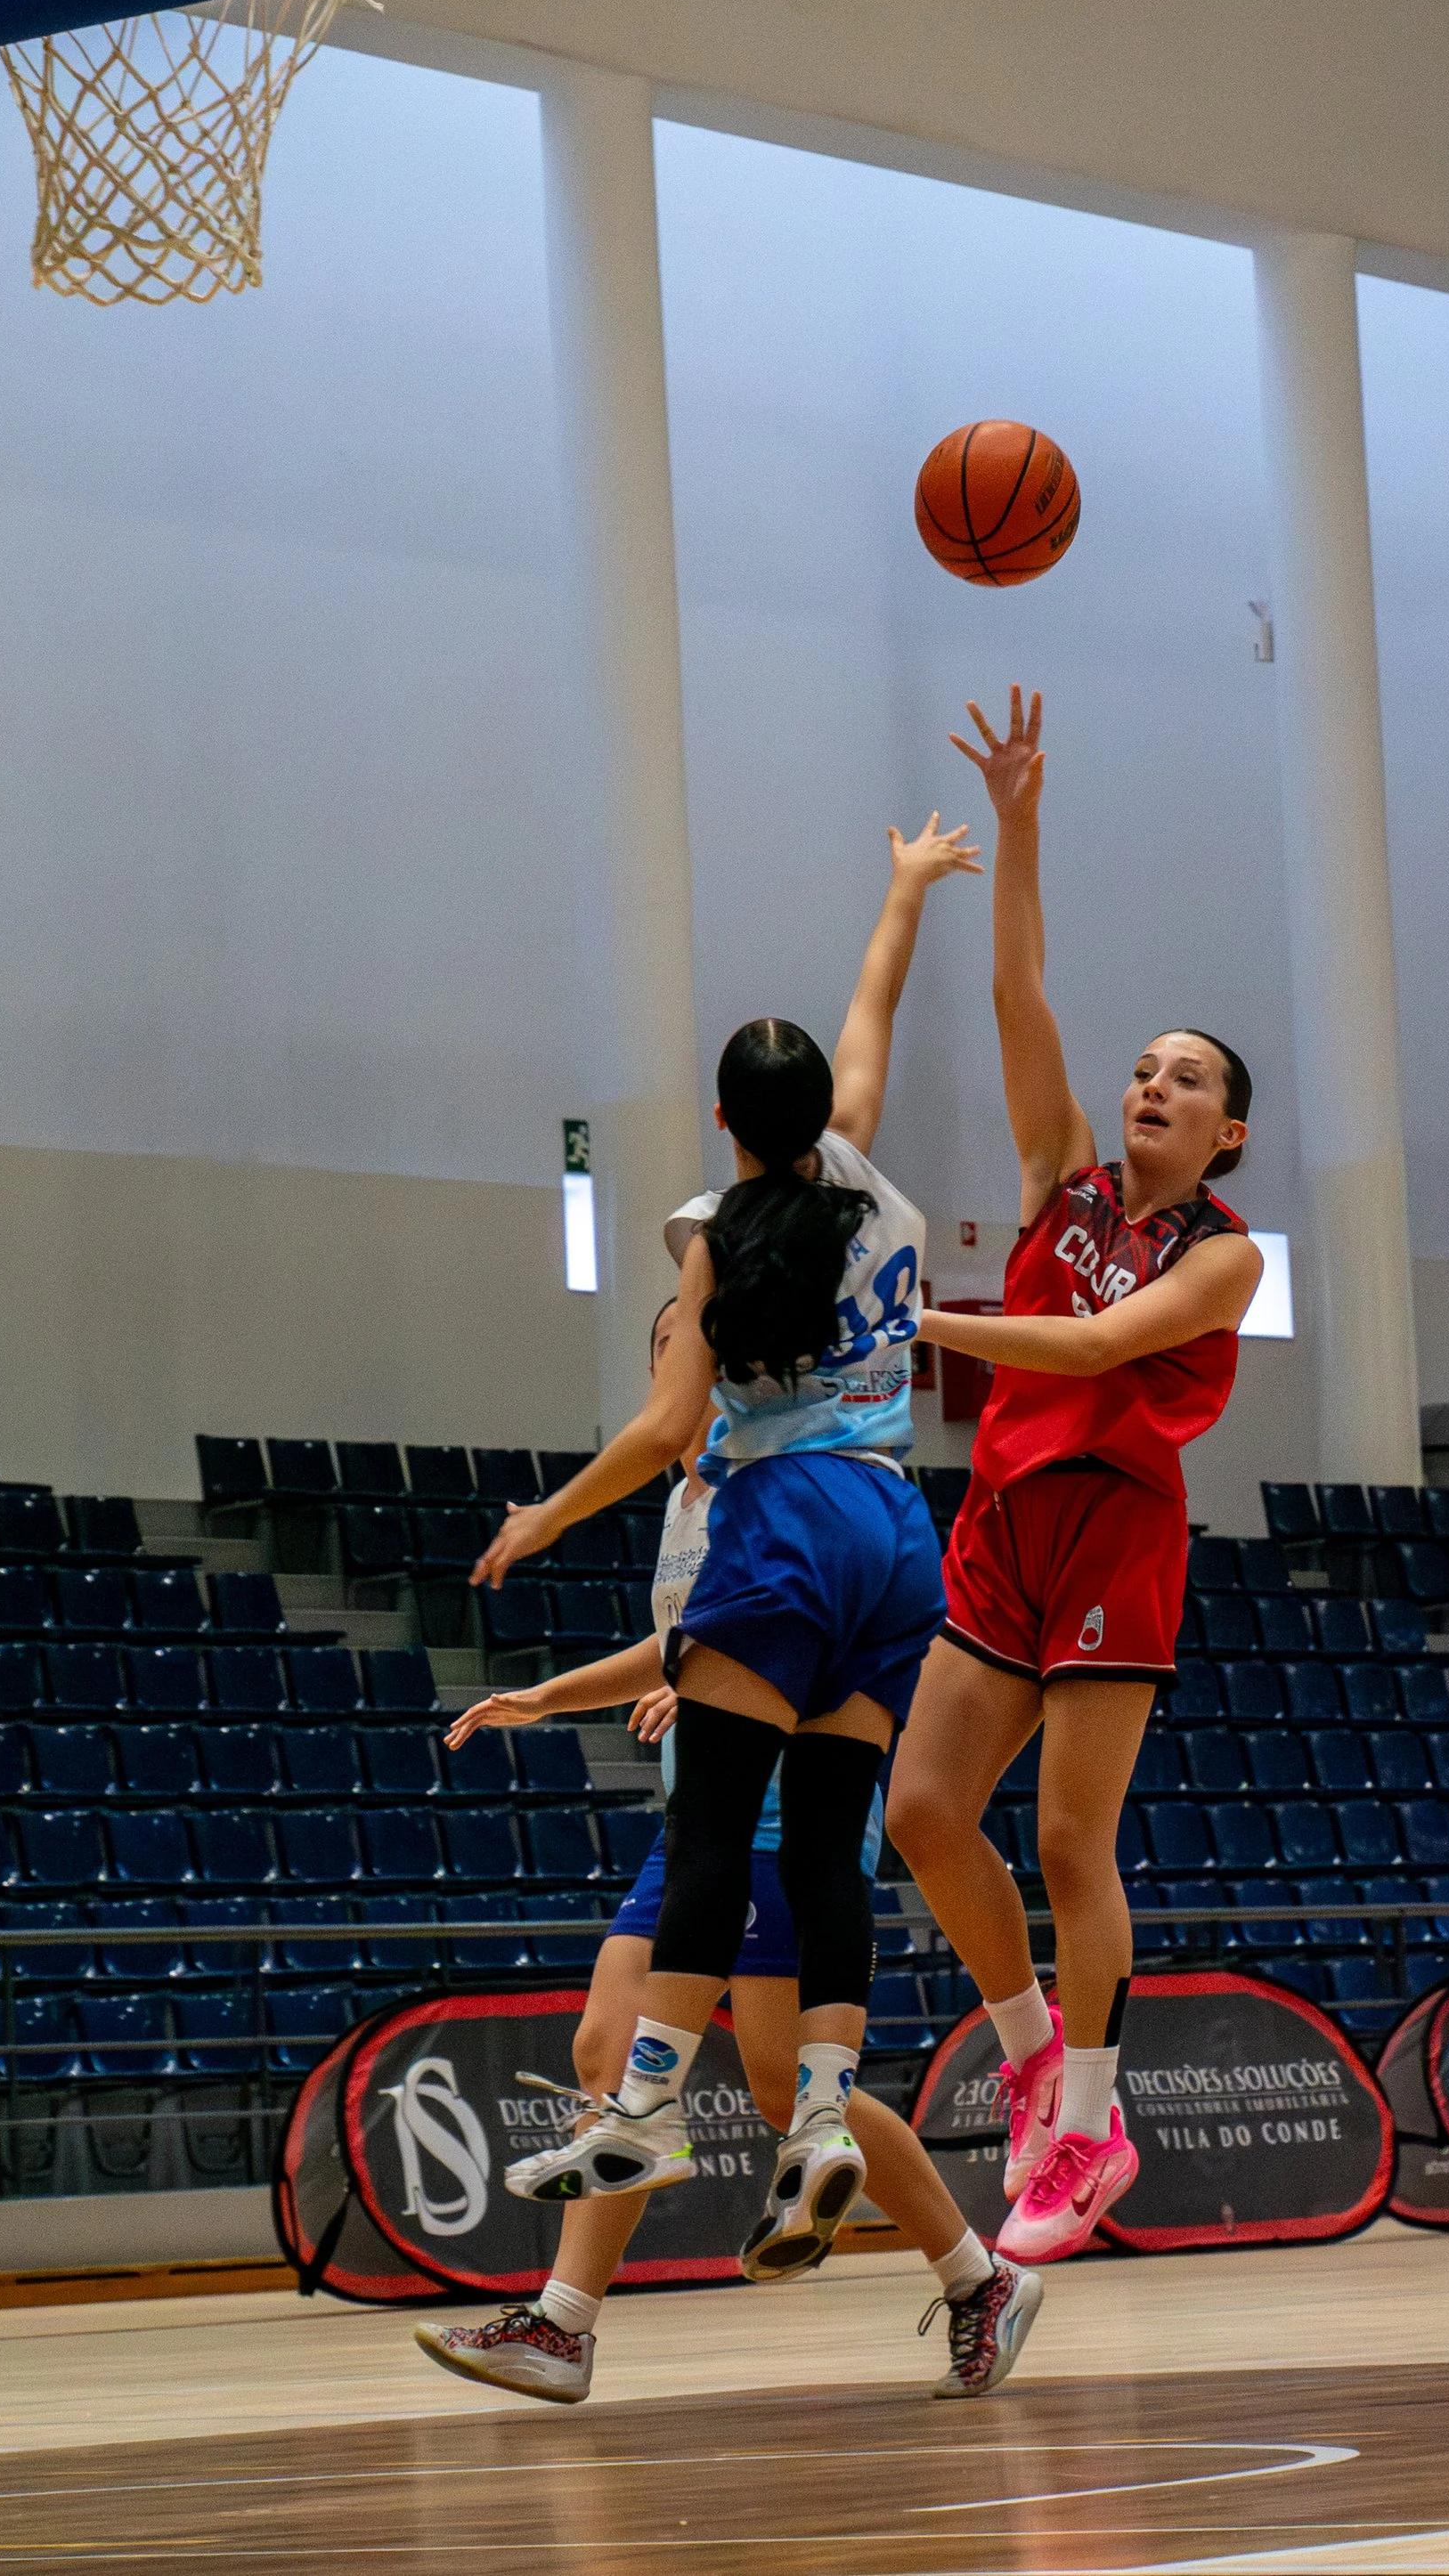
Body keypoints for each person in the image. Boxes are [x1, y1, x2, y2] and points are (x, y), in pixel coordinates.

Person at [460, 818, 978, 2286]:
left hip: (789, 1517)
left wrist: (547, 1514)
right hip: (897, 1530)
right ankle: (817, 2117)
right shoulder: (866, 1179)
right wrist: (903, 889)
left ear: (719, 1117)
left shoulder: (720, 1230)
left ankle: (639, 2112)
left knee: (712, 1829)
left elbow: (663, 1428)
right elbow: (872, 1013)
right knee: (825, 1844)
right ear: (822, 1110)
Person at [415, 1304, 1039, 2404]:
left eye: (694, 1337)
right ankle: (562, 2325)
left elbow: (807, 1638)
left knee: (780, 2086)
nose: (681, 1352)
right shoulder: (688, 1497)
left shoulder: (788, 1479)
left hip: (780, 1818)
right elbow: (681, 1642)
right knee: (607, 2046)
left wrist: (733, 1681)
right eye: (666, 1341)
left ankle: (978, 2278)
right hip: (699, 1822)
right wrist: (552, 1696)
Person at [886, 687, 1261, 2266]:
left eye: (1188, 1078)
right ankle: (1036, 2049)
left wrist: (927, 1318)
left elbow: (1101, 1349)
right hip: (1002, 1515)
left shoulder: (1226, 1254)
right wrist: (1019, 820)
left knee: (1064, 1844)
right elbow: (1016, 990)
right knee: (921, 1808)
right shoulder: (1062, 1179)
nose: (1152, 1084)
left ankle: (1094, 2125)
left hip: (1113, 1529)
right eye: (1144, 1068)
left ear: (1227, 1133)